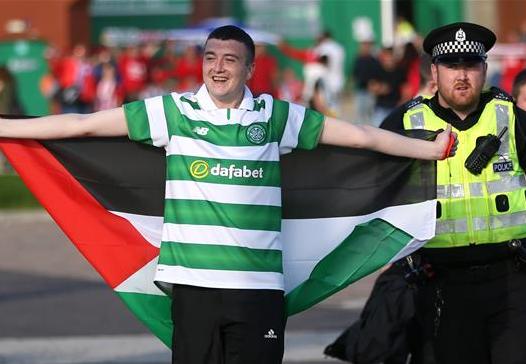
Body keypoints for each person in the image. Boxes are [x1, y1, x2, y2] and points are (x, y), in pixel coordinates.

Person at [0, 25, 454, 364]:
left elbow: (359, 138)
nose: (218, 67)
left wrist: (427, 150)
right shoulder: (174, 112)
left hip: (258, 291)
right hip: (193, 287)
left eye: (230, 59)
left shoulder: (274, 116)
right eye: (211, 57)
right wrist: (5, 128)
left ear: (250, 68)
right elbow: (82, 125)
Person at [381, 22, 526, 364]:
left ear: (485, 69)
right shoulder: (404, 124)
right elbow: (371, 194)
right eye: (451, 66)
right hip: (440, 284)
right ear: (434, 71)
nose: (462, 76)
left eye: (471, 65)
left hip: (513, 280)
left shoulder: (513, 118)